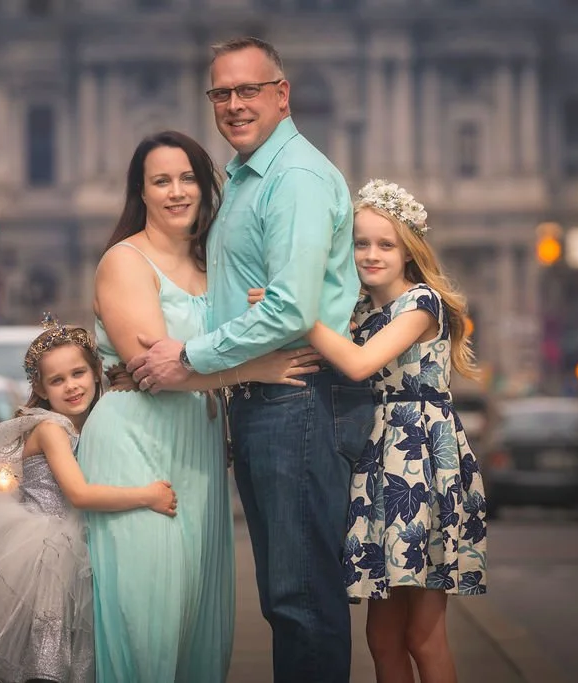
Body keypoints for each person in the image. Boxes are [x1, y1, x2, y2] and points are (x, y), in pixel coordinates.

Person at [126, 38, 374, 683]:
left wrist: (193, 359)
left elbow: (290, 309)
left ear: (282, 94)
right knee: (285, 598)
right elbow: (238, 296)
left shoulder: (293, 179)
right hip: (264, 400)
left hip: (295, 401)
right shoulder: (244, 178)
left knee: (302, 599)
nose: (234, 105)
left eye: (249, 90)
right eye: (222, 93)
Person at [77, 130, 320, 683]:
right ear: (141, 192)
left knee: (198, 626)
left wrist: (268, 307)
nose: (177, 191)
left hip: (202, 448)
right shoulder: (124, 260)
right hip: (135, 440)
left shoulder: (218, 264)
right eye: (161, 181)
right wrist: (256, 368)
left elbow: (257, 324)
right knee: (147, 621)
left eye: (187, 178)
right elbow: (155, 369)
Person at [274, 179, 489, 683]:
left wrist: (296, 311)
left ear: (408, 251)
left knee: (423, 635)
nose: (370, 254)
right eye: (360, 243)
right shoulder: (359, 311)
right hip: (381, 462)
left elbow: (358, 363)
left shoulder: (421, 304)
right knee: (381, 637)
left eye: (385, 244)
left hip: (422, 463)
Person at [0, 317, 178, 683]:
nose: (71, 386)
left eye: (78, 373)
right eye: (57, 380)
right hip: (45, 552)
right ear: (41, 388)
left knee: (67, 655)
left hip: (73, 544)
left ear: (97, 373)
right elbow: (78, 494)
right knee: (41, 658)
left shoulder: (92, 423)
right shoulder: (52, 429)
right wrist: (148, 496)